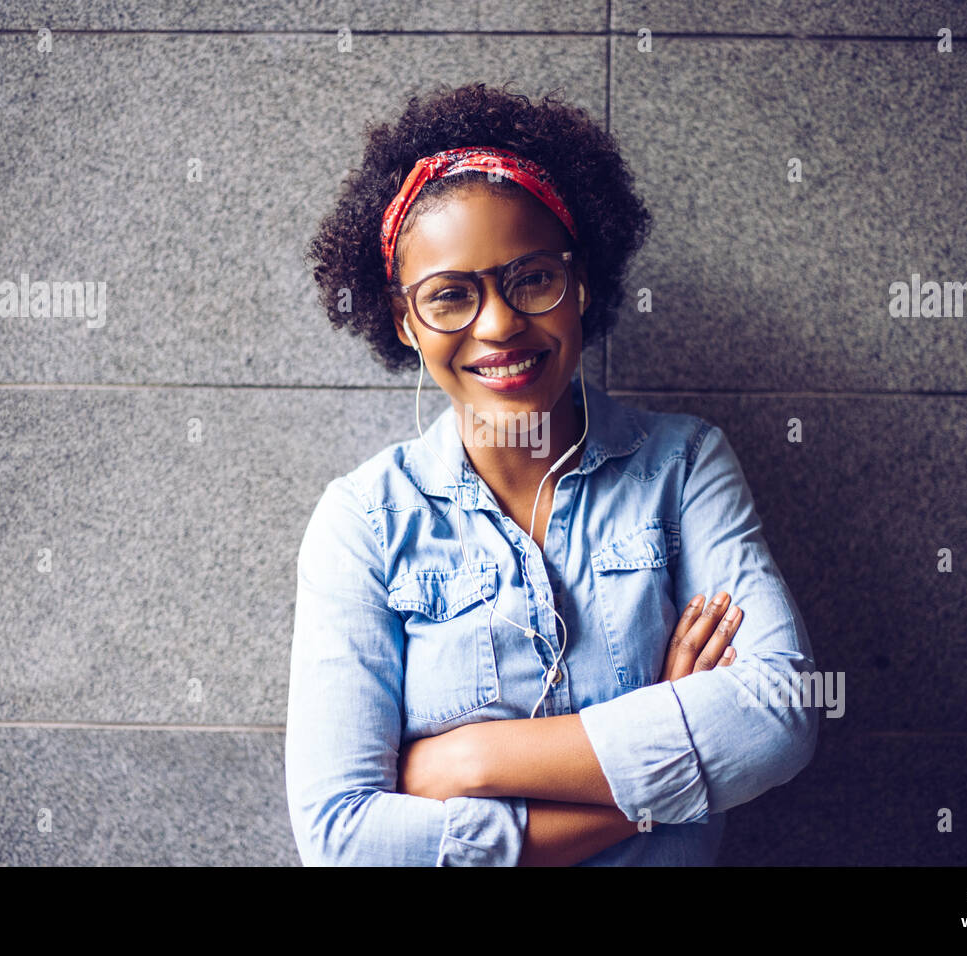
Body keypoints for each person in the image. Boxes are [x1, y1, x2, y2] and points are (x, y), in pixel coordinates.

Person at [287, 82, 818, 865]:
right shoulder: (363, 521)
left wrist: (466, 763)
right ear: (404, 320)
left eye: (531, 278)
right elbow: (344, 842)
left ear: (583, 282)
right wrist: (658, 764)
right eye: (450, 297)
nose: (499, 324)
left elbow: (779, 714)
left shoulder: (683, 465)